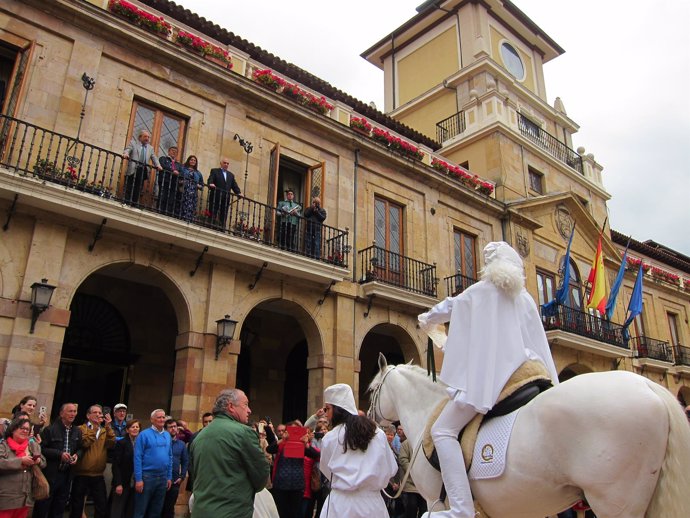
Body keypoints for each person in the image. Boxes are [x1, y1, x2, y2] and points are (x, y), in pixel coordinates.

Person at [417, 241, 560, 518]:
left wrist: (426, 318)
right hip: (530, 375)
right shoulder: (526, 298)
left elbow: (450, 307)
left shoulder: (482, 291)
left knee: (442, 431)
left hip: (494, 381)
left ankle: (460, 509)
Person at [318, 383, 398, 518]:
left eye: (327, 409)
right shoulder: (378, 434)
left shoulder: (330, 438)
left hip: (341, 505)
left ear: (338, 409)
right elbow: (390, 468)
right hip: (372, 505)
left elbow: (326, 469)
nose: (326, 414)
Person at [190, 388, 269, 518]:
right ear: (231, 406)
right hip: (232, 511)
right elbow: (261, 477)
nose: (249, 410)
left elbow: (195, 474)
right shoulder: (244, 432)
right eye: (245, 404)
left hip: (201, 511)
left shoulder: (200, 436)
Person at [33, 403, 82, 518]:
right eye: (70, 411)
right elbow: (42, 449)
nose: (73, 414)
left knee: (59, 507)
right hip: (51, 474)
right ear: (61, 413)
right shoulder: (50, 430)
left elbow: (80, 448)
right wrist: (59, 455)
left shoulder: (77, 431)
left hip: (67, 475)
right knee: (43, 507)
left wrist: (77, 456)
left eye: (74, 411)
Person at [70, 404, 116, 518]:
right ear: (88, 415)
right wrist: (95, 427)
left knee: (101, 505)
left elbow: (111, 444)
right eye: (95, 412)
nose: (98, 415)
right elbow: (85, 443)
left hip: (98, 474)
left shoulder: (104, 431)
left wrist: (108, 426)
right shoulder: (81, 429)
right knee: (77, 506)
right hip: (81, 474)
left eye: (100, 413)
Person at [0, 417, 47, 518]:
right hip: (6, 499)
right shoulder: (3, 446)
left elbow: (43, 462)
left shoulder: (32, 445)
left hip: (25, 499)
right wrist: (20, 461)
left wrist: (38, 461)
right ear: (13, 429)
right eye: (22, 428)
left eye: (27, 429)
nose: (25, 431)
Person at [132, 409, 171, 518]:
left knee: (156, 511)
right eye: (159, 417)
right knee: (140, 510)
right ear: (152, 420)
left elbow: (170, 456)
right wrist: (139, 479)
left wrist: (169, 476)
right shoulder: (143, 435)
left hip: (163, 477)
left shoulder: (167, 435)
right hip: (147, 477)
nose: (162, 419)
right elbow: (137, 457)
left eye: (163, 417)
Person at [122, 130, 161, 206]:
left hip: (142, 170)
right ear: (140, 137)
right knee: (129, 186)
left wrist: (158, 165)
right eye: (145, 136)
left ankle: (134, 203)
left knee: (138, 187)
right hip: (133, 168)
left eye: (148, 137)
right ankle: (126, 202)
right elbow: (128, 149)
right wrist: (126, 154)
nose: (147, 138)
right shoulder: (133, 143)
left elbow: (154, 157)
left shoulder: (150, 148)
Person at [110, 420, 140, 518]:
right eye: (132, 427)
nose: (135, 429)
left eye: (137, 427)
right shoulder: (122, 443)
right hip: (122, 482)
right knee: (117, 510)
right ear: (127, 430)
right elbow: (116, 465)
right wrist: (118, 484)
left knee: (130, 510)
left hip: (135, 482)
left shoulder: (140, 444)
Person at [161, 419, 188, 518]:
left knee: (169, 509)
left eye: (175, 426)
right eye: (170, 427)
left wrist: (182, 476)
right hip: (161, 480)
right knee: (158, 508)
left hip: (175, 481)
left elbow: (185, 461)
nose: (173, 429)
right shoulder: (161, 442)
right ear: (165, 429)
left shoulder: (181, 444)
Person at [207, 158, 241, 230]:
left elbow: (234, 185)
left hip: (225, 198)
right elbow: (211, 179)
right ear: (221, 163)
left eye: (227, 163)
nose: (226, 164)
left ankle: (222, 228)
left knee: (224, 213)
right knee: (213, 211)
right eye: (225, 163)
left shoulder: (231, 175)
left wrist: (239, 193)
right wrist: (211, 184)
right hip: (215, 196)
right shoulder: (215, 171)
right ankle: (211, 226)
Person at [398, 437, 427, 518]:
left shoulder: (426, 442)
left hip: (424, 485)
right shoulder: (406, 443)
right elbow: (403, 459)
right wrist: (414, 472)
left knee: (424, 510)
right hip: (410, 485)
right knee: (411, 509)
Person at [157, 146, 182, 215]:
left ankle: (168, 213)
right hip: (165, 181)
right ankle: (160, 211)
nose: (174, 152)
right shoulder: (163, 158)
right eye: (172, 150)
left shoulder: (178, 164)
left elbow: (181, 172)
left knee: (171, 199)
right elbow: (163, 166)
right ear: (168, 151)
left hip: (174, 183)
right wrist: (173, 171)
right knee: (163, 196)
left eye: (176, 151)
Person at [179, 155, 204, 222]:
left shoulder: (198, 173)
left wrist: (199, 186)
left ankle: (189, 219)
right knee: (184, 204)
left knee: (192, 205)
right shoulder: (183, 169)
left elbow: (202, 185)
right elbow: (179, 179)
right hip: (185, 189)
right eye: (191, 160)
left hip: (193, 191)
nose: (193, 161)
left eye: (194, 160)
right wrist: (182, 182)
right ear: (188, 161)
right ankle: (183, 218)